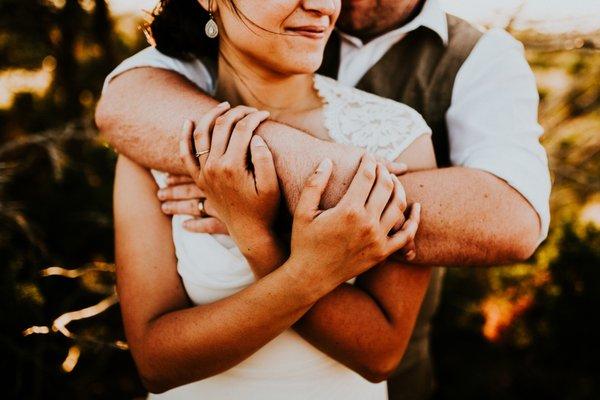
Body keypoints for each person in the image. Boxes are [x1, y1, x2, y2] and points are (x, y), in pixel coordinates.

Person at [98, 0, 551, 398]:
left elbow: (512, 219)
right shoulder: (171, 113)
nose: (321, 5)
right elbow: (123, 103)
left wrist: (262, 210)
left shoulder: (450, 84)